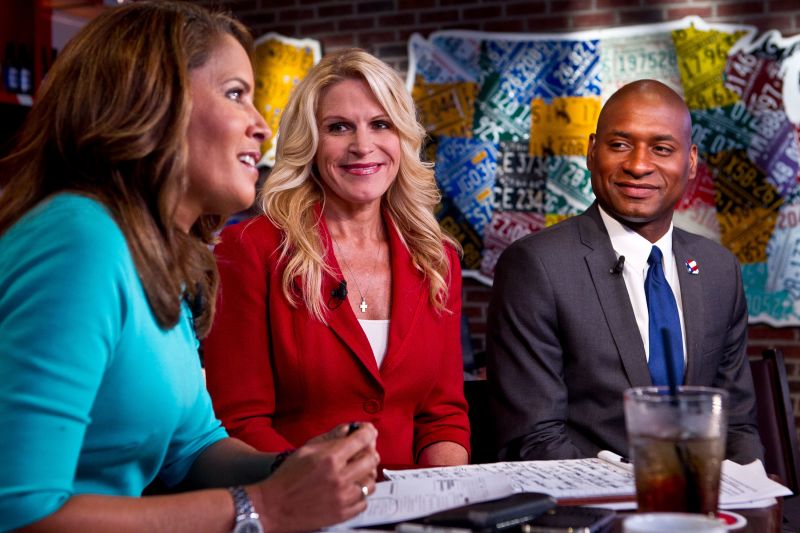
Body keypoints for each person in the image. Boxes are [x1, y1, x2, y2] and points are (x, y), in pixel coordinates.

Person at [0, 3, 379, 532]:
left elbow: (192, 447)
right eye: (234, 94)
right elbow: (21, 512)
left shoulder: (156, 252)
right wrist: (267, 507)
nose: (262, 127)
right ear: (154, 100)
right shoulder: (80, 238)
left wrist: (293, 469)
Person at [203, 48, 470, 467]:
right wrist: (323, 492)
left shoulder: (436, 259)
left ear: (401, 138)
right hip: (298, 507)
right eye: (339, 127)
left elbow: (443, 417)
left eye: (380, 124)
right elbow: (239, 421)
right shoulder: (252, 249)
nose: (363, 146)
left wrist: (445, 500)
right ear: (309, 142)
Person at [487, 80, 763, 464]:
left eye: (662, 149)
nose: (637, 165)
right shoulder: (537, 266)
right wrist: (651, 497)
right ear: (591, 151)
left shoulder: (719, 269)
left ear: (692, 161)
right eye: (619, 145)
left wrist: (754, 496)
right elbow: (536, 438)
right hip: (595, 512)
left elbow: (735, 425)